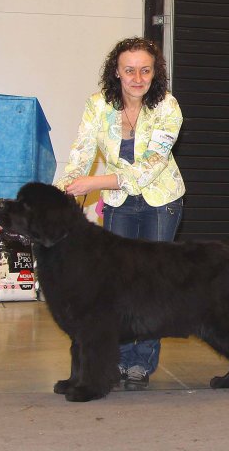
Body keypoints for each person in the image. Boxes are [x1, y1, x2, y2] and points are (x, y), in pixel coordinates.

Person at [54, 36, 185, 390]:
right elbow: (80, 154)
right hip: (118, 204)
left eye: (145, 70)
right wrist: (64, 191)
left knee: (152, 285)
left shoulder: (168, 108)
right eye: (129, 70)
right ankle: (116, 360)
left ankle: (142, 362)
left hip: (161, 201)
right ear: (117, 71)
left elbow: (148, 169)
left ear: (155, 73)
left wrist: (94, 182)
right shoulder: (97, 106)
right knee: (115, 287)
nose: (137, 78)